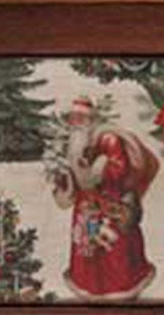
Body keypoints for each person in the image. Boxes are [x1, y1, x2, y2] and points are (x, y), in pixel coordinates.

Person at [50, 100, 158, 300]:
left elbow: (119, 169)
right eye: (73, 119)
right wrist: (64, 180)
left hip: (110, 201)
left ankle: (121, 289)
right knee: (87, 246)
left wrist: (96, 169)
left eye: (81, 119)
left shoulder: (108, 138)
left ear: (90, 119)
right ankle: (89, 287)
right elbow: (73, 175)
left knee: (115, 250)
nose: (76, 123)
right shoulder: (73, 143)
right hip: (86, 206)